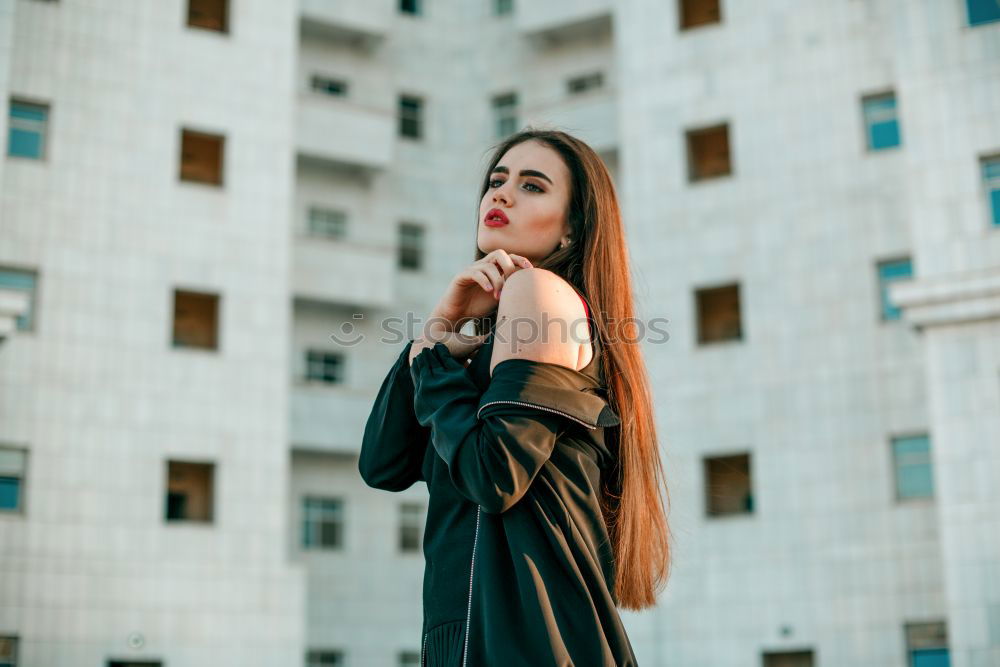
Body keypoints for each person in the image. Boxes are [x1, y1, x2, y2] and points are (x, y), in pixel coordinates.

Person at [359, 128, 672, 666]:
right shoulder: (485, 337)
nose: (500, 195)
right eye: (496, 181)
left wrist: (433, 357)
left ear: (573, 227)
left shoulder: (539, 291)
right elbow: (383, 464)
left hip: (518, 631)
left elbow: (495, 474)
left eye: (532, 185)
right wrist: (439, 328)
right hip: (485, 628)